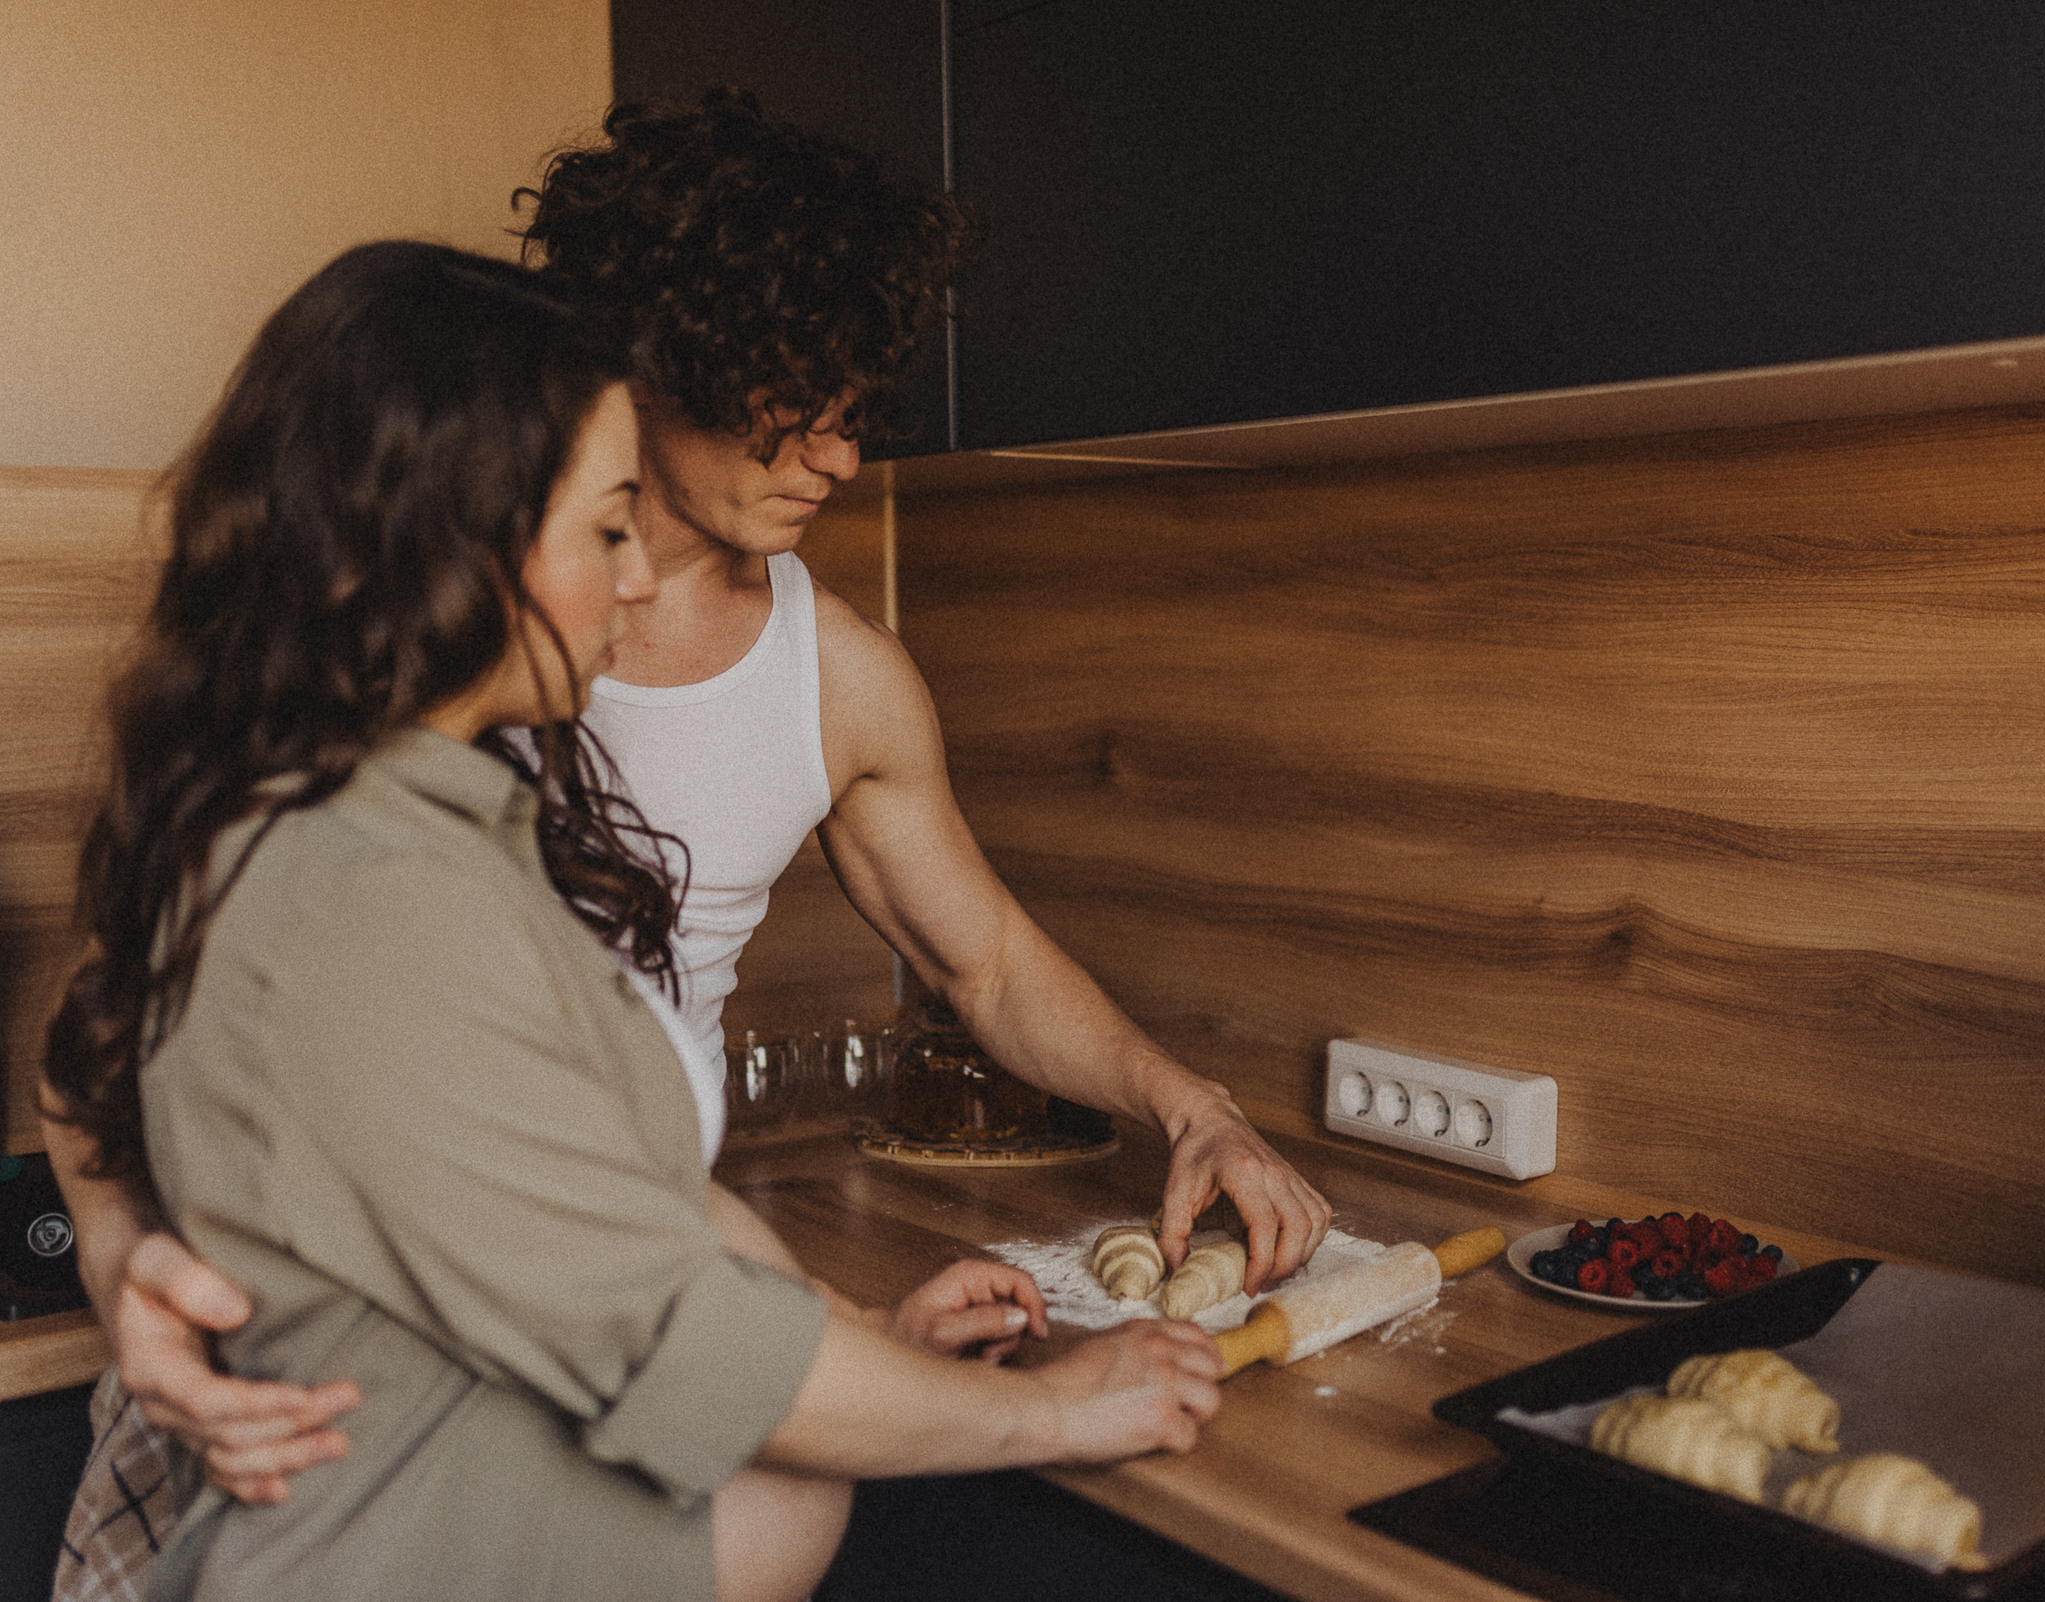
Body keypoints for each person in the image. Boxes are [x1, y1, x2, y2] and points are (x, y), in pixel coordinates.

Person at [50, 90, 1329, 1593]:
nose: (837, 454)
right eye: (795, 399)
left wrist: (1181, 1110)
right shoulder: (372, 813)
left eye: (859, 406)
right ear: (655, 369)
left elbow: (969, 964)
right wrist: (125, 1265)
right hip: (354, 1419)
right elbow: (112, 1037)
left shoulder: (812, 682)